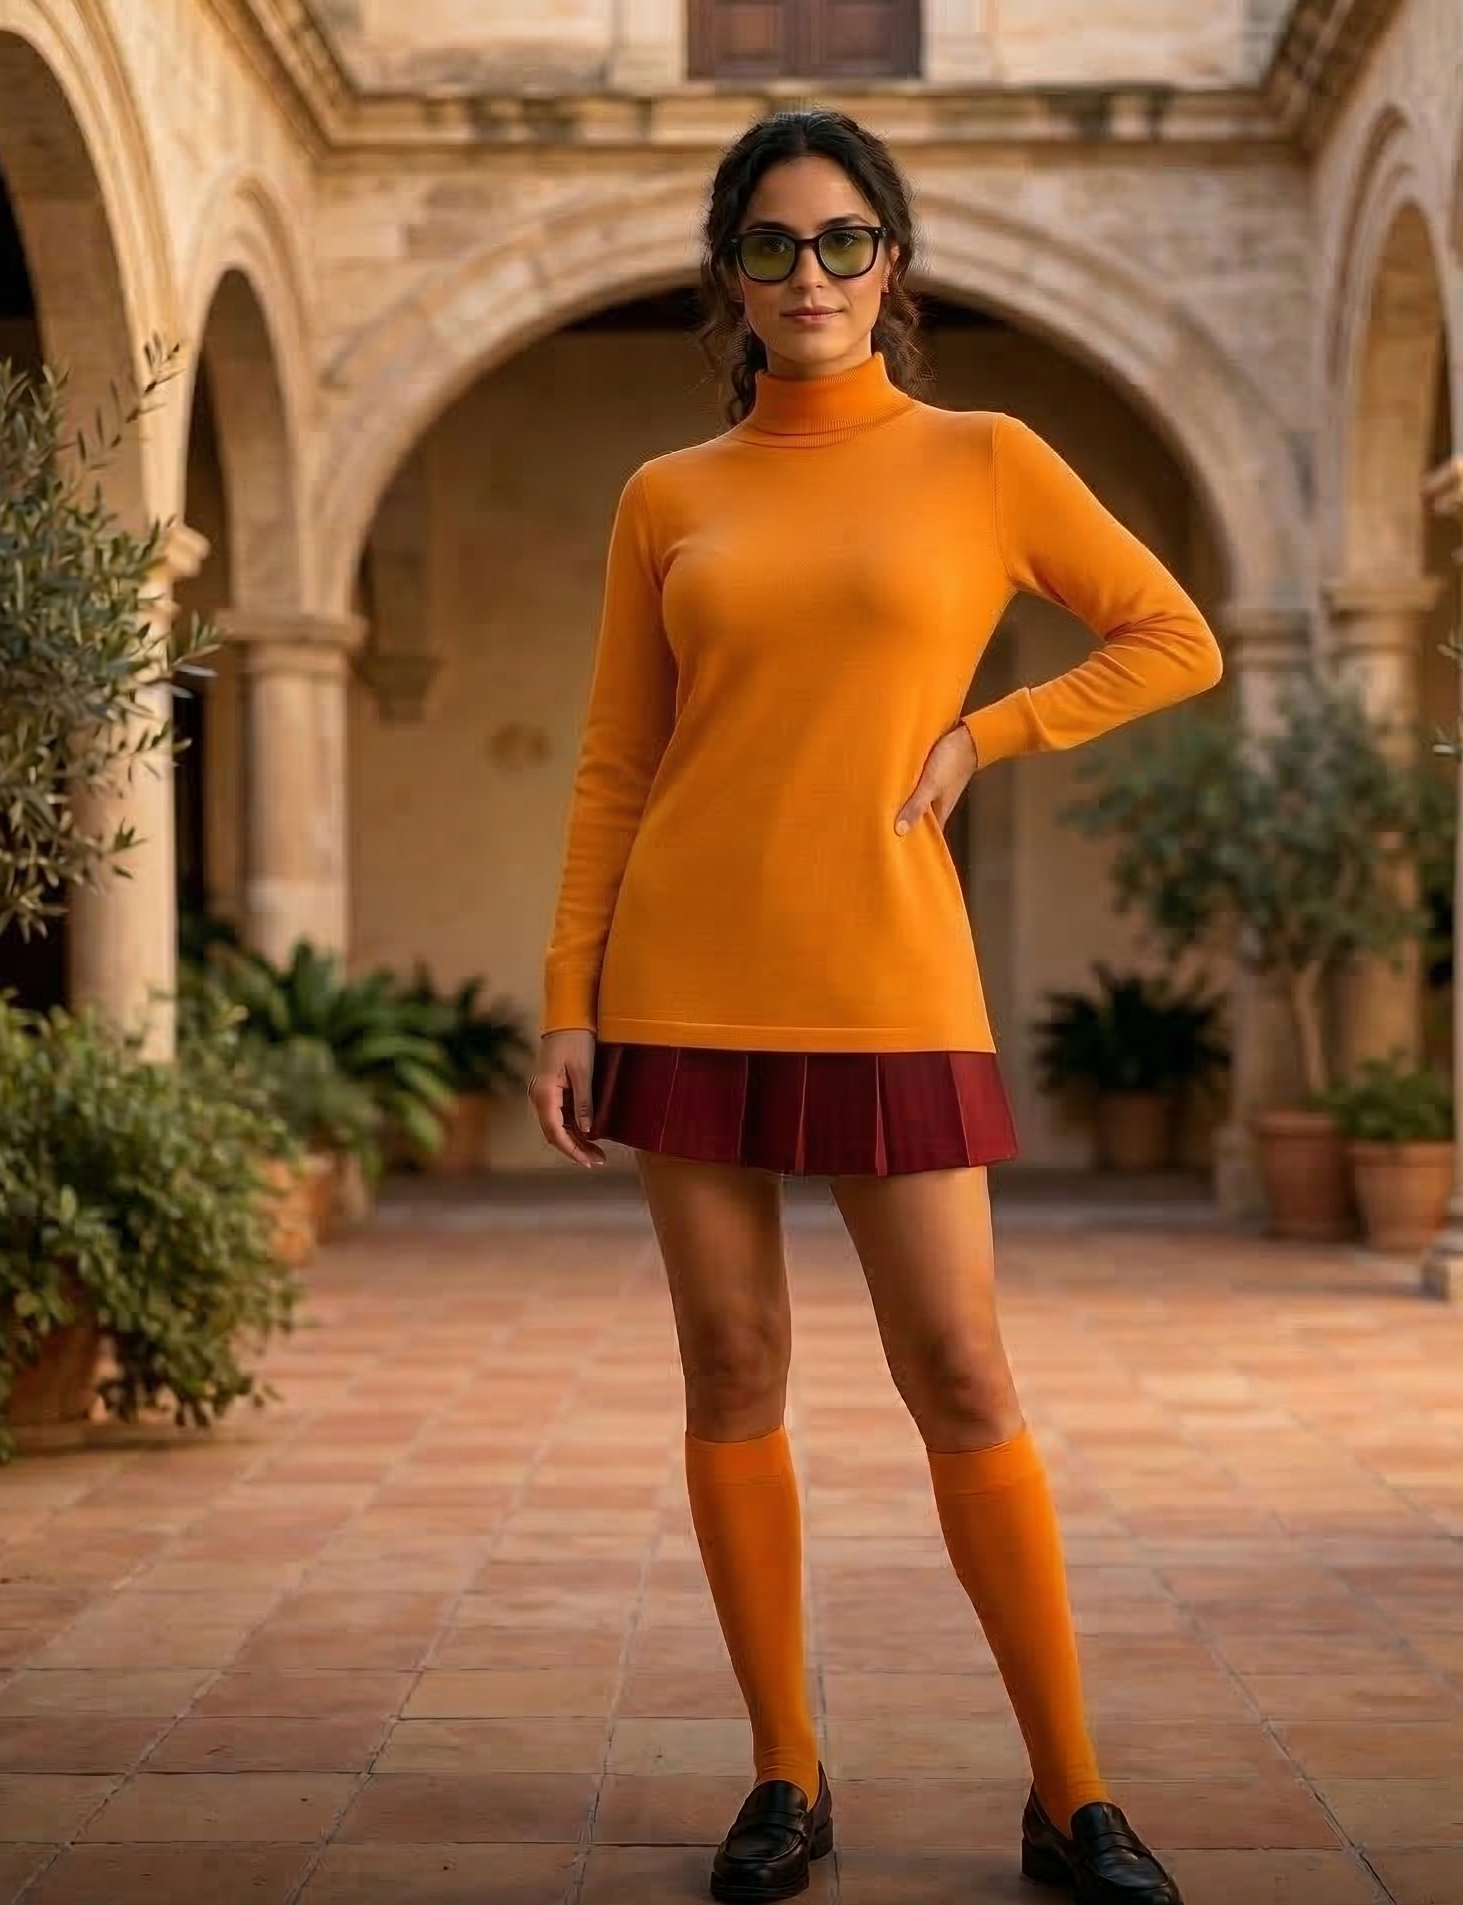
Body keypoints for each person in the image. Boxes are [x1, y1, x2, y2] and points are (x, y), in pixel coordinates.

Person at [529, 106, 1219, 1905]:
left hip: (897, 975)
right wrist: (568, 1001)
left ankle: (1071, 1794)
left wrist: (992, 732)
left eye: (843, 241)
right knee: (733, 1367)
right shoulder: (664, 497)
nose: (811, 274)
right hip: (682, 972)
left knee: (965, 1376)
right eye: (772, 246)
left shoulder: (986, 457)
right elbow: (616, 765)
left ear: (891, 264)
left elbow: (1171, 633)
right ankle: (786, 1775)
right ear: (731, 279)